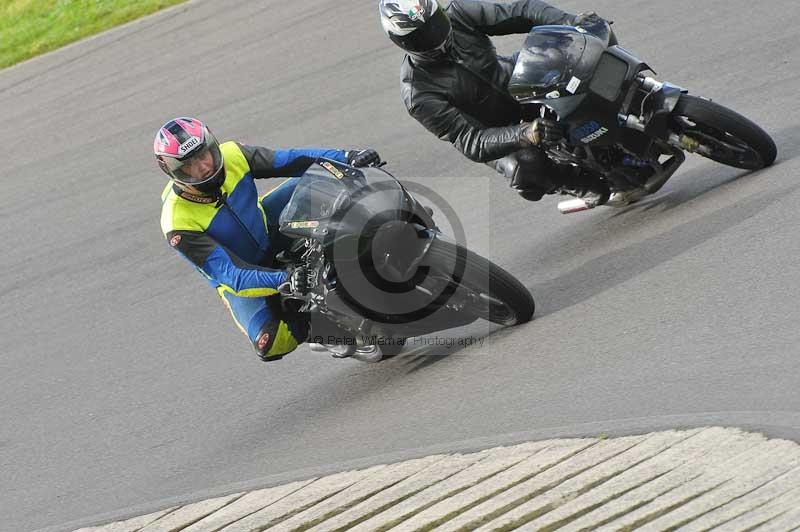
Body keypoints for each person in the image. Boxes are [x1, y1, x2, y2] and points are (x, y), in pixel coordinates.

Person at [155, 117, 381, 362]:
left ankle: (376, 229)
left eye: (204, 154)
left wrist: (347, 157)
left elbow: (292, 159)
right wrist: (286, 279)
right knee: (269, 342)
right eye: (190, 165)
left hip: (267, 228)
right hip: (243, 274)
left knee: (324, 176)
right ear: (174, 171)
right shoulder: (177, 222)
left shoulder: (233, 154)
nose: (203, 167)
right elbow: (232, 275)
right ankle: (323, 329)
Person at [379, 0, 615, 203]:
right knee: (526, 167)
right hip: (495, 130)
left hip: (515, 80)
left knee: (582, 45)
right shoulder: (418, 92)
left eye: (436, 23)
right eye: (422, 36)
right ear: (402, 42)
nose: (435, 36)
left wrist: (568, 21)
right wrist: (525, 133)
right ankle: (582, 184)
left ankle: (632, 92)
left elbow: (519, 10)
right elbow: (469, 141)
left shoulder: (459, 13)